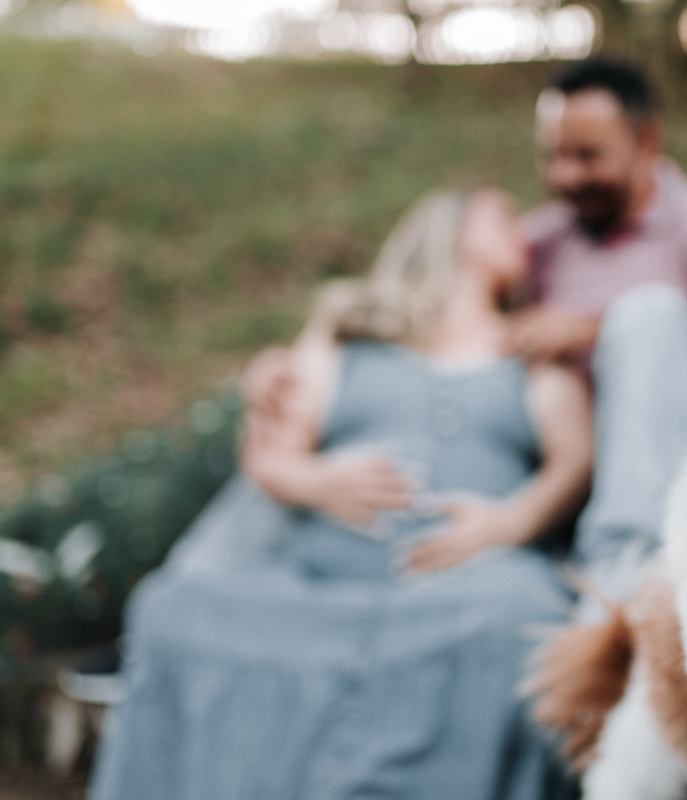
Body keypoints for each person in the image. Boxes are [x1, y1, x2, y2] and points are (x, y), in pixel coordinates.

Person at [88, 188, 592, 800]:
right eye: (502, 215)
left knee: (527, 619)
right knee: (173, 607)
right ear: (448, 227)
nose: (524, 230)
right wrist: (317, 479)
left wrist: (508, 524)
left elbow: (574, 460)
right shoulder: (348, 333)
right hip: (319, 583)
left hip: (468, 586)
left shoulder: (533, 349)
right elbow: (273, 456)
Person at [511, 57, 687, 598]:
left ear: (647, 141)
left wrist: (587, 330)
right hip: (571, 470)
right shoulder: (544, 240)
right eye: (553, 157)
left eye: (587, 156)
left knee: (648, 316)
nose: (566, 176)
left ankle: (629, 576)